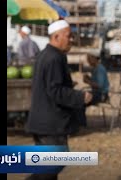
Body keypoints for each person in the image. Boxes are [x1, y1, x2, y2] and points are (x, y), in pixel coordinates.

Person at [25, 20, 93, 180]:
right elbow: (55, 90)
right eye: (69, 36)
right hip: (50, 123)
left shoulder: (46, 54)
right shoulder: (54, 57)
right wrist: (80, 96)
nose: (71, 39)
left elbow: (50, 85)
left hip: (42, 122)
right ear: (56, 36)